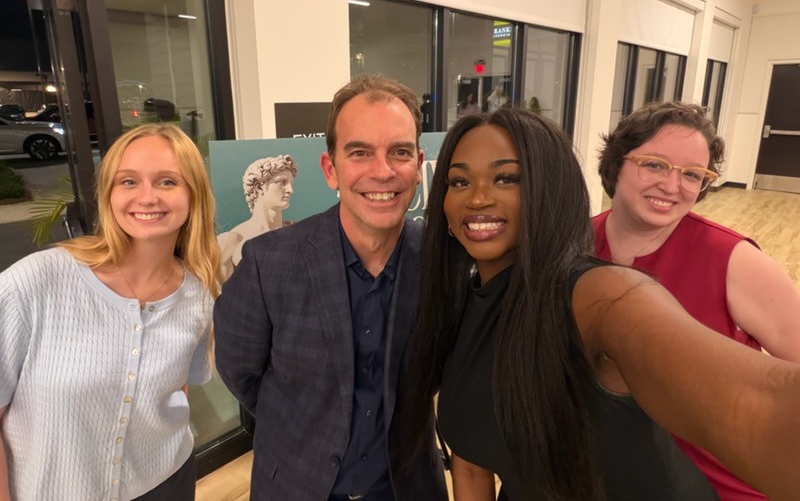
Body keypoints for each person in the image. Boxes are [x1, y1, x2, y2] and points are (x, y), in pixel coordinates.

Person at [401, 107, 800, 501]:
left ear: (548, 190)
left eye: (506, 178)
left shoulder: (598, 292)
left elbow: (758, 403)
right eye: (458, 182)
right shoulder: (459, 306)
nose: (478, 198)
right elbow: (471, 462)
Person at [214, 74, 448, 501]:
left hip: (407, 487)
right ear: (330, 169)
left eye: (398, 152)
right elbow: (240, 372)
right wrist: (302, 427)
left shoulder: (441, 262)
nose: (382, 171)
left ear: (417, 164)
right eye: (360, 152)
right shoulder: (270, 263)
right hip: (295, 484)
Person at [0, 123, 219, 501]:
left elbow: (176, 390)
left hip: (165, 483)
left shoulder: (200, 295)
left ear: (193, 195)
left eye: (167, 181)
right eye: (128, 182)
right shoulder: (34, 283)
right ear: (109, 194)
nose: (147, 197)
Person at [595, 101, 800, 500]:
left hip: (711, 488)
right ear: (617, 163)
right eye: (654, 164)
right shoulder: (577, 242)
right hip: (606, 477)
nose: (672, 187)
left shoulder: (734, 260)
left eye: (692, 174)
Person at [217, 154, 298, 280]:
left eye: (291, 183)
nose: (290, 190)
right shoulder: (232, 241)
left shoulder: (297, 233)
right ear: (259, 187)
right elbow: (222, 294)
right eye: (282, 182)